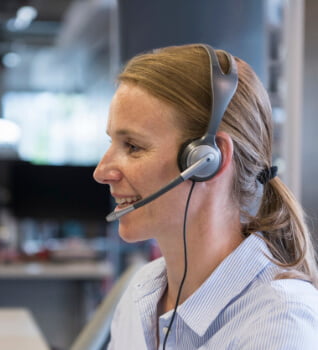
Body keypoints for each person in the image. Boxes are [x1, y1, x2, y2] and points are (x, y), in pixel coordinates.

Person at [93, 43, 318, 349]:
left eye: (133, 146)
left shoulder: (280, 324)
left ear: (206, 160)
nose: (102, 171)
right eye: (112, 142)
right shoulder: (141, 292)